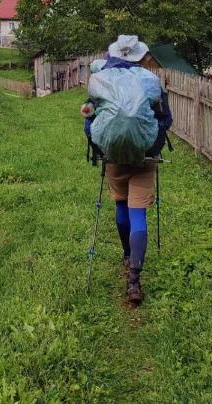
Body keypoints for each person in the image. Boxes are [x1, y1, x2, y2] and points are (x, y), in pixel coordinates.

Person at [83, 35, 172, 305]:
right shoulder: (149, 80)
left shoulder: (100, 79)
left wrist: (97, 141)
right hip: (146, 155)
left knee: (121, 208)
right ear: (140, 56)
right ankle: (134, 278)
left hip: (114, 154)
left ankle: (126, 253)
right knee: (138, 213)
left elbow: (90, 116)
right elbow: (165, 119)